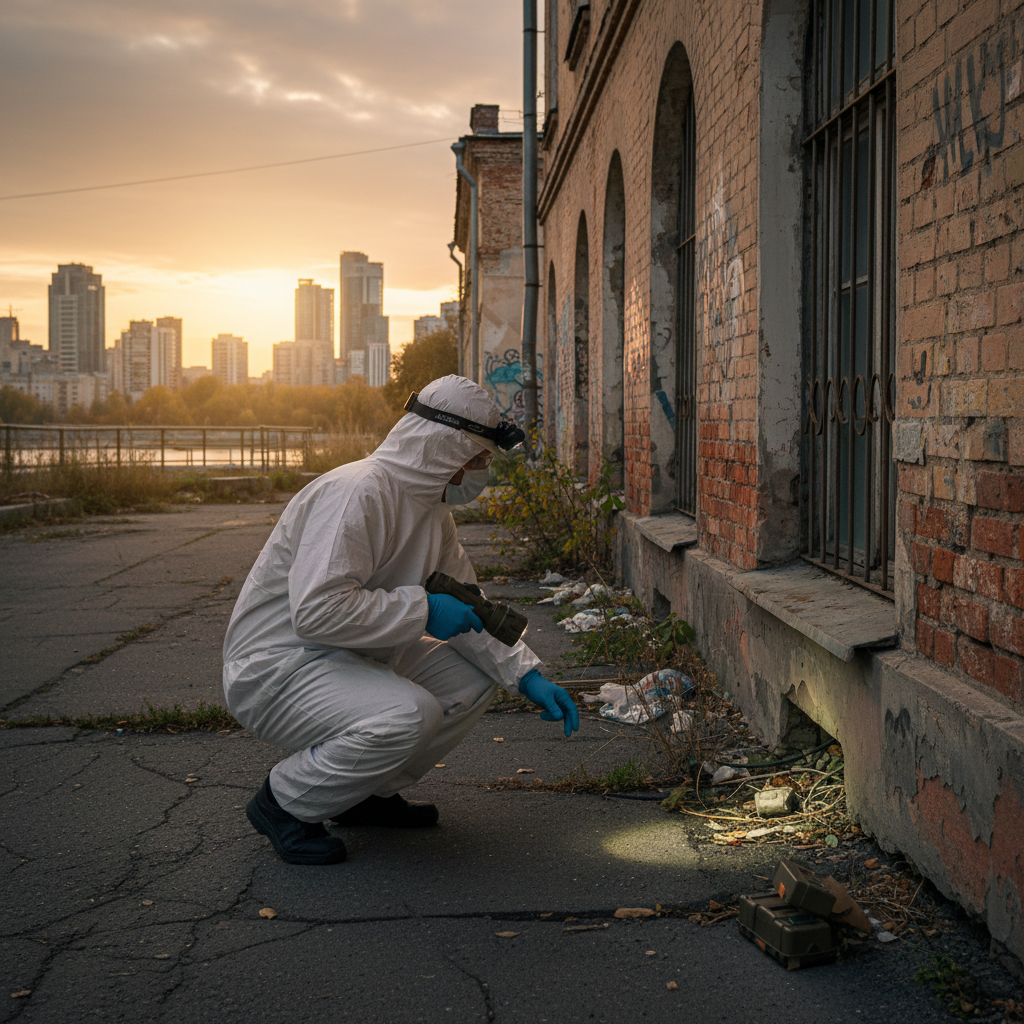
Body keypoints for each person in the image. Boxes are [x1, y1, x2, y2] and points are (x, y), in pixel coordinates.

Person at [222, 375, 579, 865]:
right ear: (443, 448)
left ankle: (358, 793)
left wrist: (527, 674)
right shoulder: (358, 492)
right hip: (280, 667)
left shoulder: (432, 513)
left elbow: (471, 606)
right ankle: (285, 801)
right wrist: (425, 609)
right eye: (476, 458)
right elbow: (315, 611)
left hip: (348, 657)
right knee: (410, 713)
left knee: (474, 678)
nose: (478, 472)